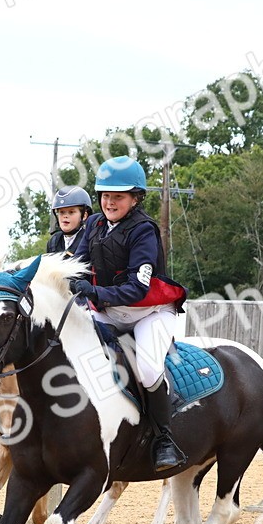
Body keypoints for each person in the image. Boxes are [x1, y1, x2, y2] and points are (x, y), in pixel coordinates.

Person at [67, 156, 188, 472]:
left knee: (147, 371)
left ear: (136, 198)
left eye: (118, 196)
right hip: (108, 312)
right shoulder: (93, 225)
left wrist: (93, 292)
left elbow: (137, 288)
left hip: (151, 312)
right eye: (105, 195)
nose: (109, 202)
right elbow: (77, 265)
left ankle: (164, 440)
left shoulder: (144, 231)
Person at [45, 186, 92, 254]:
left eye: (71, 212)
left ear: (84, 215)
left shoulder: (90, 240)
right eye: (62, 212)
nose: (65, 216)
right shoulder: (53, 242)